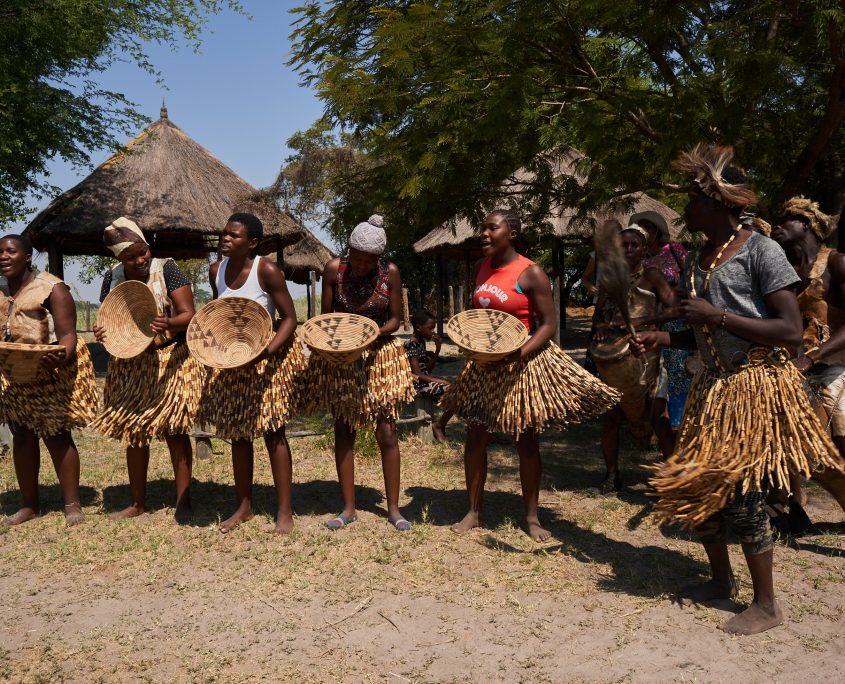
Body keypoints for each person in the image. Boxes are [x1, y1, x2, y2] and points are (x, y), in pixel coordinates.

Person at [634, 144, 842, 635]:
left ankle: (767, 604)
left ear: (718, 202)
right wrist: (662, 335)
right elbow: (699, 331)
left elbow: (790, 329)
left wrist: (718, 314)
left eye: (692, 200)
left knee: (745, 495)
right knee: (697, 485)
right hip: (712, 388)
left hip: (754, 388)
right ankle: (721, 580)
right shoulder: (698, 259)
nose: (685, 209)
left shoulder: (761, 251)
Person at [441, 209, 619, 541]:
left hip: (520, 365)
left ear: (512, 233)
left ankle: (532, 517)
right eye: (483, 227)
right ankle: (473, 511)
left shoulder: (530, 272)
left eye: (492, 228)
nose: (484, 233)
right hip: (484, 364)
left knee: (526, 442)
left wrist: (516, 355)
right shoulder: (482, 267)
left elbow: (548, 325)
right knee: (476, 436)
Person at [301, 214, 415, 531]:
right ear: (349, 251)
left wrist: (371, 333)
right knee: (344, 430)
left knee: (387, 432)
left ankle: (393, 510)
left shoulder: (389, 273)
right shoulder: (334, 269)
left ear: (379, 258)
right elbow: (325, 316)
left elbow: (395, 320)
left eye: (369, 261)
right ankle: (348, 508)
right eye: (358, 259)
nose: (363, 266)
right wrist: (340, 342)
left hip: (380, 356)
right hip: (342, 356)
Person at [199, 213, 306, 534]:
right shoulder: (216, 271)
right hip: (232, 366)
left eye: (233, 235)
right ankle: (243, 507)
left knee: (274, 433)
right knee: (239, 436)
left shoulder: (266, 270)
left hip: (265, 364)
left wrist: (266, 352)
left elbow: (289, 318)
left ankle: (284, 511)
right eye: (224, 234)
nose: (225, 239)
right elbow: (218, 316)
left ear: (253, 242)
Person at [91, 217, 203, 524]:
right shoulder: (112, 277)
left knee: (175, 431)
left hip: (170, 358)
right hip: (130, 363)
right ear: (119, 259)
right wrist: (101, 332)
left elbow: (189, 315)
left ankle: (184, 500)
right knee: (135, 432)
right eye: (130, 257)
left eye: (143, 252)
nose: (139, 260)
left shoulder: (166, 268)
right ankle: (137, 502)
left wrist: (168, 323)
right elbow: (110, 317)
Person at [0, 234, 98, 526]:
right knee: (22, 436)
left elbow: (68, 334)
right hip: (14, 373)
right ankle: (29, 504)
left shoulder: (51, 287)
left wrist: (63, 354)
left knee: (56, 435)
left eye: (10, 251)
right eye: (0, 252)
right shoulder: (2, 290)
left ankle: (72, 505)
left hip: (49, 371)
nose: (3, 257)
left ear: (27, 256)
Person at [772, 196, 845, 526]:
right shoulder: (783, 269)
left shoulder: (836, 264)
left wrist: (815, 355)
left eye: (786, 219)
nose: (778, 225)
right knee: (782, 435)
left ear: (807, 224)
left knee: (836, 449)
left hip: (836, 365)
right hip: (796, 369)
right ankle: (791, 506)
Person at [591, 222, 677, 493]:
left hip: (648, 355)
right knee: (611, 417)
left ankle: (676, 481)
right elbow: (598, 317)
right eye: (623, 245)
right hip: (617, 358)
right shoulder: (609, 278)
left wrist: (647, 320)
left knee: (659, 419)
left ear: (644, 249)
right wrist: (602, 327)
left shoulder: (652, 276)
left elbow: (675, 309)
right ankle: (612, 475)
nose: (628, 249)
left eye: (634, 245)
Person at [633, 211, 692, 429]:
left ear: (657, 231)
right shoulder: (641, 260)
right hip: (658, 323)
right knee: (662, 379)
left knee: (682, 373)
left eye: (648, 227)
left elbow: (693, 278)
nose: (644, 232)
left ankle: (682, 422)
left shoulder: (675, 251)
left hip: (682, 319)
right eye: (641, 228)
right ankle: (667, 426)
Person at [404, 309, 454, 442]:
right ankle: (438, 426)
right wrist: (441, 381)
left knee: (457, 394)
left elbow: (427, 369)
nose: (433, 331)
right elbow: (417, 374)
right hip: (416, 384)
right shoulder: (411, 344)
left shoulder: (421, 342)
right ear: (419, 328)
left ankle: (439, 425)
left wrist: (437, 349)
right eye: (430, 328)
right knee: (453, 392)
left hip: (424, 381)